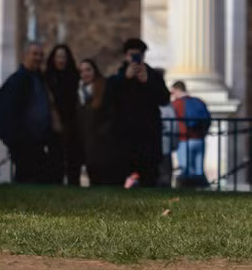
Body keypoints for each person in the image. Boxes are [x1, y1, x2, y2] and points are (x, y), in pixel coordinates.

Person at [0, 41, 57, 184]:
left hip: (36, 140)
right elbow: (7, 110)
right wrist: (18, 137)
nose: (38, 58)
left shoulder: (39, 79)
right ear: (25, 55)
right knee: (29, 178)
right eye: (35, 54)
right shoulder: (17, 81)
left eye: (41, 55)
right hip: (25, 141)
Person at [109, 37, 171, 188]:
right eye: (132, 55)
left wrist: (148, 82)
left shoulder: (153, 75)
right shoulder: (118, 76)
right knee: (120, 173)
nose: (135, 59)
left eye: (138, 55)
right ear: (126, 56)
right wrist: (125, 79)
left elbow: (164, 99)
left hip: (148, 134)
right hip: (125, 134)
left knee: (149, 176)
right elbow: (110, 97)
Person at [75, 58, 120, 186]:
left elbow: (112, 114)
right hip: (88, 147)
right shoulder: (80, 93)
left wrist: (102, 132)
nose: (85, 74)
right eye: (82, 71)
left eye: (88, 70)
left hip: (105, 147)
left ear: (95, 71)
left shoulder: (105, 87)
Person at [44, 43, 83, 185]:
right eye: (58, 57)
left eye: (64, 57)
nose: (61, 60)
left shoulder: (75, 77)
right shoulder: (47, 77)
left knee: (74, 162)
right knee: (56, 162)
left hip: (73, 125)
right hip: (54, 125)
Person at [169, 80, 212, 187]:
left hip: (184, 140)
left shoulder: (176, 104)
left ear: (177, 90)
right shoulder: (198, 102)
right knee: (199, 170)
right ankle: (201, 192)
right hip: (199, 139)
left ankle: (188, 192)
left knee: (186, 170)